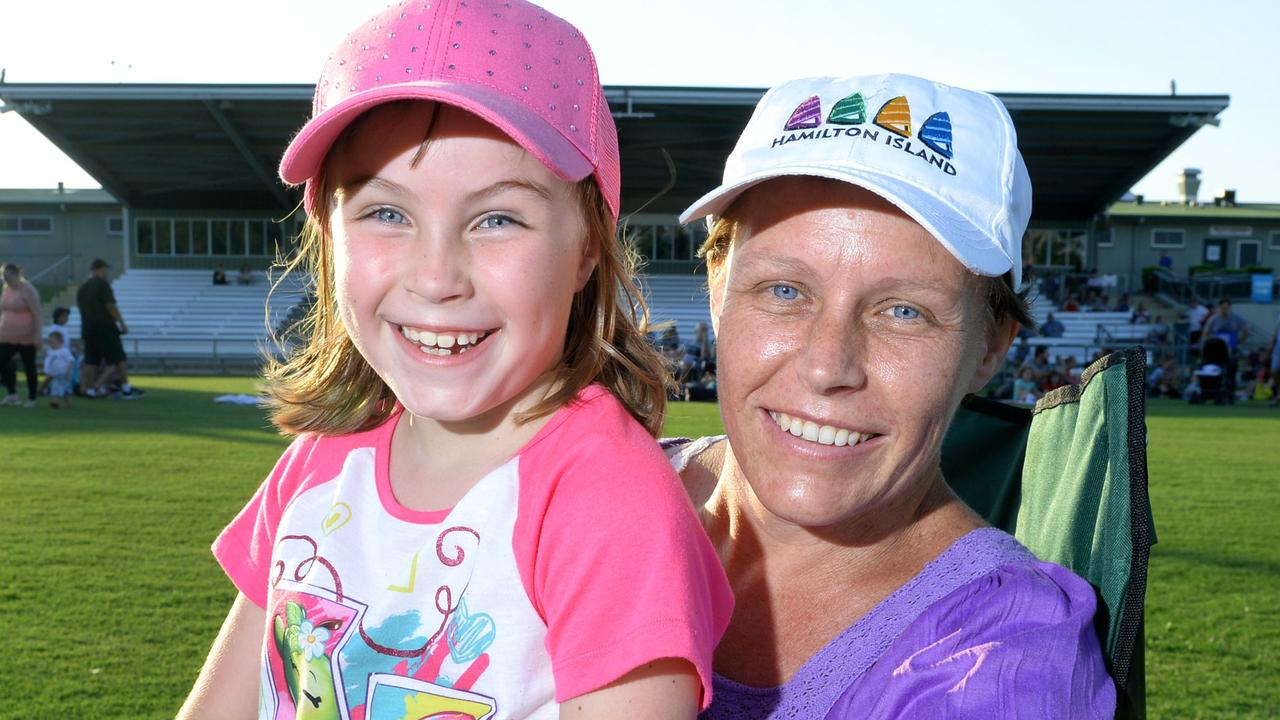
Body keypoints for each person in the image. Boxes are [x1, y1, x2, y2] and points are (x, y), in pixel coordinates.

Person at [177, 3, 732, 719]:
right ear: (328, 238)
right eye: (386, 213)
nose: (437, 277)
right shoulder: (317, 465)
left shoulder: (606, 500)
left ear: (589, 248)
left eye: (497, 218)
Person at [671, 74, 1114, 717]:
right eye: (784, 291)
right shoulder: (570, 493)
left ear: (990, 347)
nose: (829, 367)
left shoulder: (999, 659)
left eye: (903, 310)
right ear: (717, 290)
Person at [76, 259, 142, 398]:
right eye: (105, 269)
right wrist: (121, 323)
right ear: (100, 269)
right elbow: (110, 306)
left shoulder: (82, 288)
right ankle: (126, 389)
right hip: (105, 327)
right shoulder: (102, 285)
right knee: (119, 358)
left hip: (88, 328)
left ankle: (90, 390)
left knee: (91, 360)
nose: (106, 272)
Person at [0, 262, 42, 408]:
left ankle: (32, 398)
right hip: (7, 335)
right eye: (3, 276)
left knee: (29, 366)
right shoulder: (6, 290)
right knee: (2, 362)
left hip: (26, 336)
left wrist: (37, 335)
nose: (5, 279)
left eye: (8, 276)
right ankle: (12, 395)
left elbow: (37, 314)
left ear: (17, 275)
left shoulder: (28, 290)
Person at [43, 329, 74, 409]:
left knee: (57, 386)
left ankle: (55, 402)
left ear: (60, 341)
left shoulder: (64, 351)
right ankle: (68, 402)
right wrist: (47, 371)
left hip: (64, 373)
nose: (51, 344)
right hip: (54, 373)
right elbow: (49, 361)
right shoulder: (50, 351)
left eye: (53, 342)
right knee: (61, 388)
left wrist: (68, 370)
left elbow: (70, 361)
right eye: (50, 342)